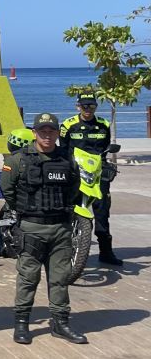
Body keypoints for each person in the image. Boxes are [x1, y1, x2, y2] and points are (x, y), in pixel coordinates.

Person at [3, 112, 88, 345]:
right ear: (35, 133)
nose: (47, 135)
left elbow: (73, 188)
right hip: (31, 228)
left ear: (58, 133)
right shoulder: (17, 160)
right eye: (43, 131)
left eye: (52, 131)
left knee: (60, 279)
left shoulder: (67, 159)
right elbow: (8, 191)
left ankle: (60, 323)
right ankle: (21, 324)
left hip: (60, 228)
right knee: (28, 278)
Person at [61, 90, 121, 266]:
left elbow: (106, 149)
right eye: (84, 105)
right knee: (68, 208)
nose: (88, 109)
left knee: (102, 211)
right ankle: (63, 249)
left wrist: (108, 166)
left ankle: (106, 252)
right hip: (75, 173)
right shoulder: (68, 125)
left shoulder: (103, 124)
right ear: (78, 106)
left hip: (97, 173)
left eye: (92, 105)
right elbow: (63, 151)